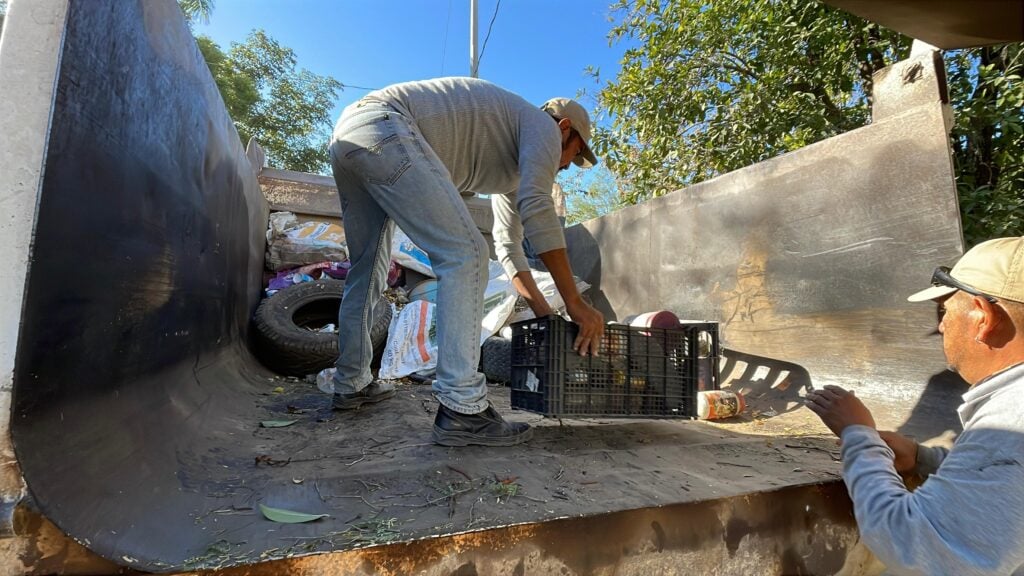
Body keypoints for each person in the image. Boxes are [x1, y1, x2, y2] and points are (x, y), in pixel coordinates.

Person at [327, 77, 605, 447]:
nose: (566, 167)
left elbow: (509, 248)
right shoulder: (542, 127)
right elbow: (540, 208)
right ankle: (462, 407)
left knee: (367, 270)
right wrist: (575, 302)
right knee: (467, 252)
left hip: (351, 136)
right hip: (386, 127)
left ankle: (350, 384)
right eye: (573, 155)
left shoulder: (514, 166)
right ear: (564, 128)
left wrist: (546, 315)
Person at [806, 237, 1024, 575]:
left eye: (946, 311)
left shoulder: (1014, 416)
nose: (941, 326)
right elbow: (1005, 480)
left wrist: (858, 433)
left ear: (982, 317)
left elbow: (911, 543)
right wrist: (924, 458)